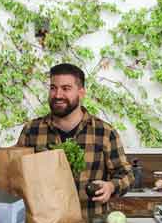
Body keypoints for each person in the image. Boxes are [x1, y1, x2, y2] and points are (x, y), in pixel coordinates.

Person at [15, 62, 133, 206]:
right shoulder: (31, 130)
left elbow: (126, 174)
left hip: (90, 222)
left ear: (81, 93)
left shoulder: (104, 132)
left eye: (66, 88)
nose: (58, 95)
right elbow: (15, 172)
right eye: (53, 88)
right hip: (45, 221)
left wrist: (111, 186)